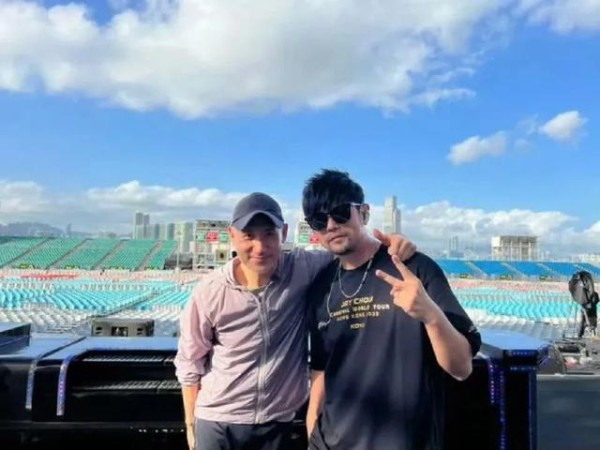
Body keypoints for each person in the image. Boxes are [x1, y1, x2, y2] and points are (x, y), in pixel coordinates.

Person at [174, 192, 416, 450]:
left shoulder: (302, 268)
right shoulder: (210, 290)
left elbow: (352, 250)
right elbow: (190, 361)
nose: (260, 247)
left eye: (269, 234)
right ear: (232, 236)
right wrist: (191, 424)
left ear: (284, 233)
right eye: (248, 236)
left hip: (278, 422)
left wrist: (393, 244)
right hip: (217, 423)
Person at [302, 169, 481, 450]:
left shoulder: (415, 268)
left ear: (364, 213)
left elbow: (461, 368)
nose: (331, 225)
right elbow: (321, 370)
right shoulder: (321, 287)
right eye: (318, 220)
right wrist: (312, 429)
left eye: (340, 213)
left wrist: (431, 315)